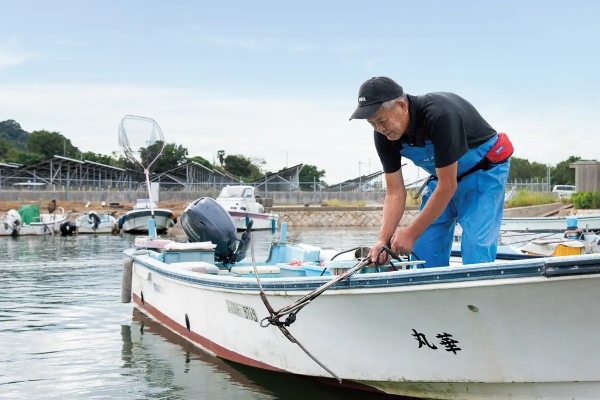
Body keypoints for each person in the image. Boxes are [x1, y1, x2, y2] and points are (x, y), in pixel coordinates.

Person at [349, 77, 513, 268]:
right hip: (442, 181)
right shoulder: (383, 135)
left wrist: (409, 233)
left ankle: (479, 294)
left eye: (382, 120)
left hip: (484, 174)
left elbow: (448, 185)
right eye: (372, 123)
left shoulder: (441, 114)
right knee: (422, 253)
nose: (379, 128)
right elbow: (395, 192)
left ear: (402, 106)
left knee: (476, 248)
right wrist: (382, 241)